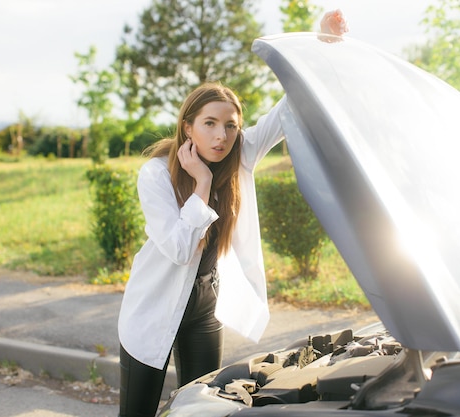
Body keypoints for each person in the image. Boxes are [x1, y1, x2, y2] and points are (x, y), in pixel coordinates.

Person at [117, 10, 349, 417]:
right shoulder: (155, 174)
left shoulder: (242, 154)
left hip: (206, 308)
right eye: (209, 123)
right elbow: (176, 249)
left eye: (229, 125)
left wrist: (322, 45)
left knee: (205, 411)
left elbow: (290, 104)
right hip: (152, 308)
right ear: (187, 127)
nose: (221, 136)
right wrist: (201, 185)